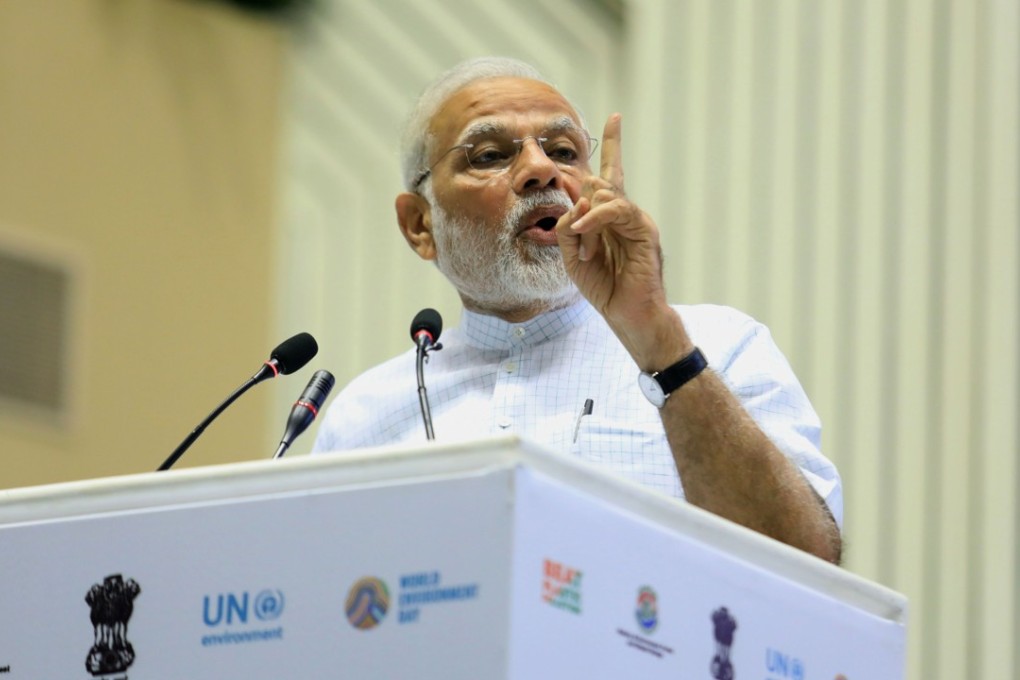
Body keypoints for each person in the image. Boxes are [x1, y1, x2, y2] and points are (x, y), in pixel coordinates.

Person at [311, 57, 843, 563]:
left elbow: (806, 561)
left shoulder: (720, 347)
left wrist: (658, 340)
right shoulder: (367, 415)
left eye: (564, 151)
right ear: (420, 226)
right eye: (491, 155)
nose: (541, 170)